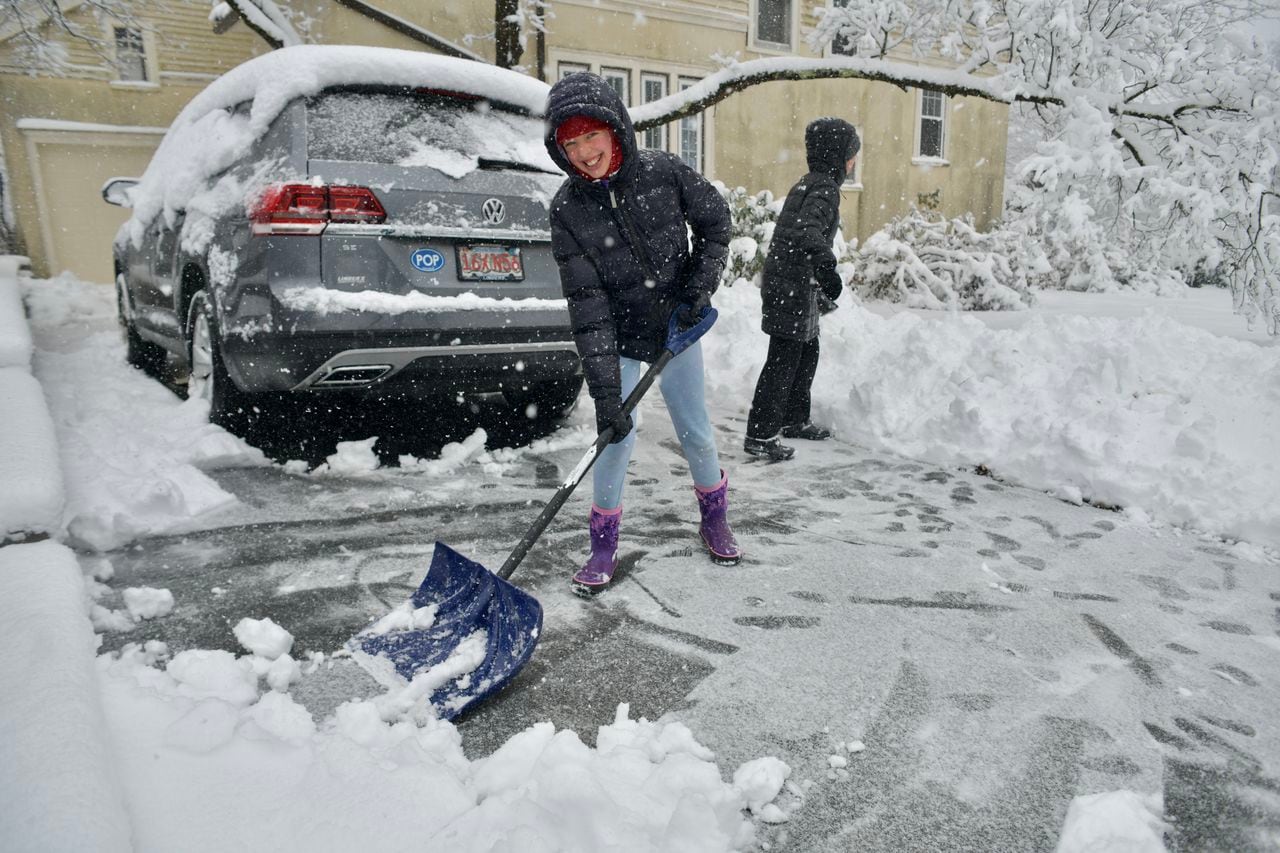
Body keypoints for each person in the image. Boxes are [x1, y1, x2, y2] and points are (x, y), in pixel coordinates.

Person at [542, 71, 741, 592]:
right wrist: (608, 396)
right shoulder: (567, 211)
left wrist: (698, 290)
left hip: (677, 326)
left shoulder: (665, 172)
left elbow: (717, 222)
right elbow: (588, 308)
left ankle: (714, 515)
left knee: (695, 430)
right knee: (613, 439)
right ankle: (603, 545)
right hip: (621, 335)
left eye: (592, 136)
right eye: (571, 143)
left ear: (615, 130)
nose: (585, 153)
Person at [744, 117, 860, 461]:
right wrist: (827, 268)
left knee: (807, 351)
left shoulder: (809, 183)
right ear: (839, 158)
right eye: (851, 155)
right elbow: (809, 230)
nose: (854, 162)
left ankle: (794, 418)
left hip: (791, 284)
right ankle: (761, 434)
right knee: (784, 359)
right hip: (793, 286)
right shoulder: (824, 189)